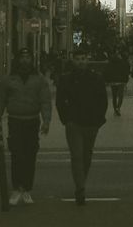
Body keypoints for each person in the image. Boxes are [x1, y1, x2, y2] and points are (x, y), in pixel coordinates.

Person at [0, 47, 52, 206]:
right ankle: (17, 188)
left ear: (31, 60)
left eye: (28, 57)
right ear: (18, 60)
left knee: (30, 154)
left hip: (32, 121)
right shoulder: (8, 80)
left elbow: (45, 101)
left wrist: (46, 121)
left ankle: (26, 188)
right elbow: (0, 100)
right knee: (17, 154)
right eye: (22, 57)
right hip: (15, 120)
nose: (25, 60)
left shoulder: (39, 80)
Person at [55, 55, 108, 206]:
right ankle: (80, 188)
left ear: (88, 60)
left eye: (84, 58)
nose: (81, 61)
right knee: (77, 155)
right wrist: (66, 119)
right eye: (78, 58)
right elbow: (60, 101)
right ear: (73, 60)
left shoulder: (96, 78)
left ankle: (80, 181)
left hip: (91, 123)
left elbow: (103, 100)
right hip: (74, 124)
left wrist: (99, 119)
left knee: (87, 155)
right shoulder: (66, 79)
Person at [105, 52, 131, 116]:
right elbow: (125, 72)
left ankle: (115, 108)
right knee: (120, 96)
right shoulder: (122, 63)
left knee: (114, 96)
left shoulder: (110, 63)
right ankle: (118, 108)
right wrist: (126, 81)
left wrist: (108, 80)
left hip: (113, 82)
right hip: (121, 81)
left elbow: (107, 72)